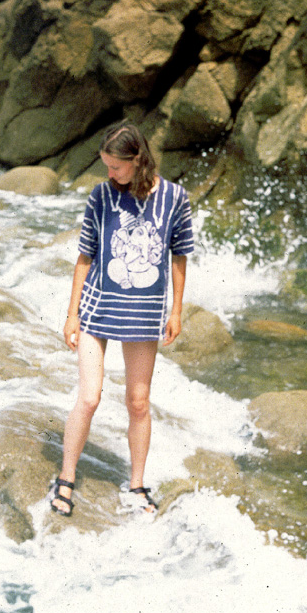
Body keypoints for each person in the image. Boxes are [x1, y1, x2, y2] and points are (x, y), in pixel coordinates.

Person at [49, 120, 194, 516]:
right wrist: (72, 314)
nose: (109, 174)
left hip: (145, 314)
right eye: (106, 166)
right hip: (98, 306)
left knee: (139, 402)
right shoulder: (100, 196)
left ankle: (137, 486)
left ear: (138, 160)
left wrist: (176, 310)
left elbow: (179, 256)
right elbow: (85, 256)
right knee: (90, 397)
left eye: (115, 167)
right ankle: (65, 478)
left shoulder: (175, 198)